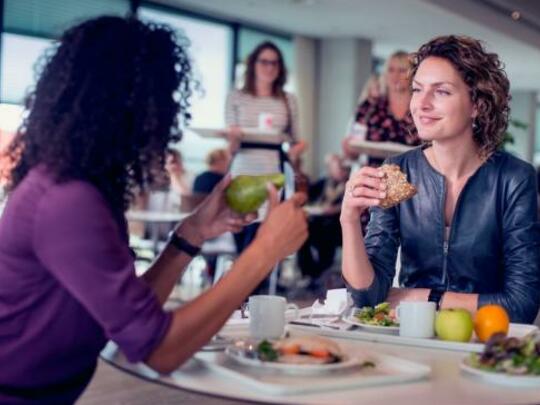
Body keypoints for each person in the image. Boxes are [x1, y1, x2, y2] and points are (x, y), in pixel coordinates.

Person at [0, 16, 307, 404]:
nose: (165, 120)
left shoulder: (83, 184)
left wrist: (191, 233)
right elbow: (159, 350)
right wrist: (265, 250)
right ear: (126, 105)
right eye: (161, 102)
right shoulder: (66, 200)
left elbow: (131, 322)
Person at [341, 35, 540, 324]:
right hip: (413, 334)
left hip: (484, 343)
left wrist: (422, 297)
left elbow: (521, 304)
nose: (421, 104)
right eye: (418, 89)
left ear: (477, 105)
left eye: (441, 92)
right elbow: (368, 297)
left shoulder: (514, 178)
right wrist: (348, 219)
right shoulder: (398, 170)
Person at [225, 41, 307, 256]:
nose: (270, 67)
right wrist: (232, 139)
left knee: (267, 231)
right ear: (253, 64)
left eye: (275, 63)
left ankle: (259, 283)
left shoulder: (288, 100)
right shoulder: (236, 97)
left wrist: (298, 150)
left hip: (274, 167)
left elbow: (295, 139)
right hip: (243, 164)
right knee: (241, 226)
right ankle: (239, 283)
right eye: (264, 62)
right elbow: (230, 147)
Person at [297, 154, 349, 288]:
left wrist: (335, 209)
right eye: (337, 168)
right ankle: (310, 272)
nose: (341, 171)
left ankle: (318, 272)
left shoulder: (349, 185)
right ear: (329, 169)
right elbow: (307, 198)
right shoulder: (323, 183)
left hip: (336, 225)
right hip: (317, 222)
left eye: (342, 168)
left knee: (327, 233)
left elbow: (349, 206)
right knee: (301, 232)